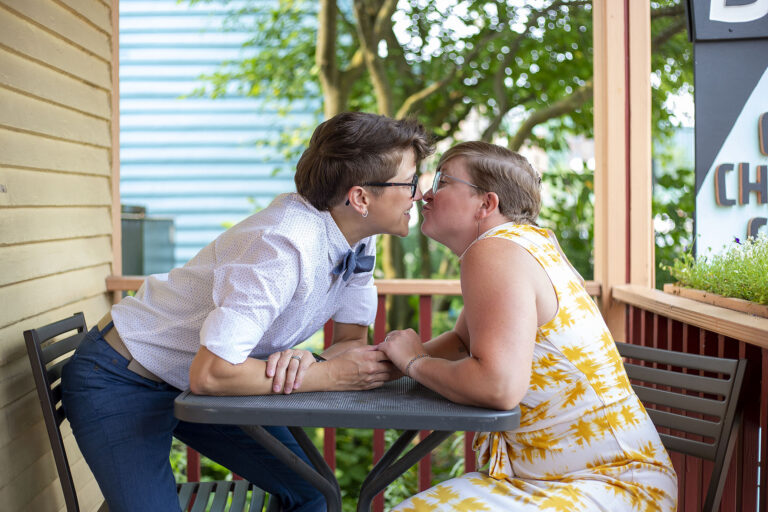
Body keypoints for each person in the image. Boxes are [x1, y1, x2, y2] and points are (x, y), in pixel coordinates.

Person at [61, 112, 433, 512]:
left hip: (198, 377)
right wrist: (325, 372)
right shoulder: (280, 246)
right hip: (123, 376)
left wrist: (312, 361)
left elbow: (349, 343)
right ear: (361, 198)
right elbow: (211, 374)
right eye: (411, 182)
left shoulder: (359, 239)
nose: (421, 194)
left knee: (314, 493)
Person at [378, 141, 677, 511]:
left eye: (441, 180)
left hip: (608, 485)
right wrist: (383, 365)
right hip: (566, 480)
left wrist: (413, 363)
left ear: (486, 204)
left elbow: (498, 386)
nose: (425, 194)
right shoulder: (524, 244)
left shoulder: (496, 251)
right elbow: (460, 341)